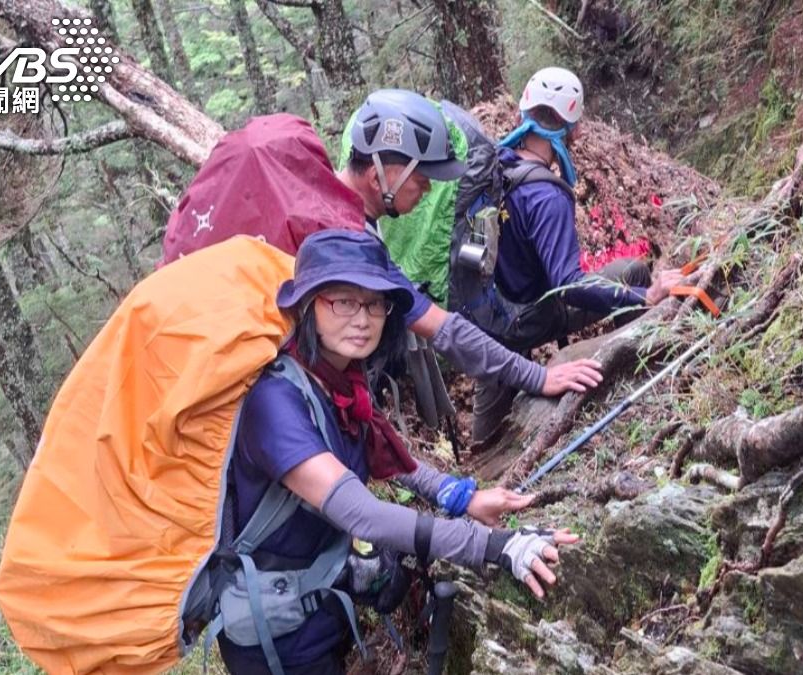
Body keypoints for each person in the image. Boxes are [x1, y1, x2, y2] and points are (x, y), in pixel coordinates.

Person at [219, 230, 579, 674]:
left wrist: (465, 498)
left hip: (318, 601)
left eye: (374, 303)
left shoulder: (337, 382)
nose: (363, 318)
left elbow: (390, 457)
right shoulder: (275, 404)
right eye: (343, 301)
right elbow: (361, 514)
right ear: (307, 305)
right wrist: (494, 546)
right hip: (275, 638)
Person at [161, 102, 603, 422]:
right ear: (380, 177)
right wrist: (538, 377)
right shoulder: (349, 245)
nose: (428, 193)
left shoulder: (308, 179)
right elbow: (444, 330)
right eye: (423, 180)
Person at [469, 68, 684, 443]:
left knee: (483, 441)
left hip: (489, 317)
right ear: (572, 128)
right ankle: (636, 381)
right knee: (633, 274)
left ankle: (484, 446)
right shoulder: (547, 197)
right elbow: (567, 285)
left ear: (524, 114)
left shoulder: (496, 165)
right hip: (528, 318)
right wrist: (644, 298)